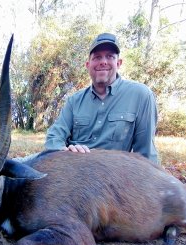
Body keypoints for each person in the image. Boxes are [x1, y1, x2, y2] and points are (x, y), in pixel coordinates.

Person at [45, 32, 158, 163]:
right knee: (17, 165)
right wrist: (64, 151)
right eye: (97, 57)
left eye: (110, 56)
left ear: (119, 63)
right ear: (88, 65)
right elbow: (54, 136)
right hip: (73, 168)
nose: (103, 62)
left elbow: (147, 154)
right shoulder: (74, 100)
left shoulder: (141, 95)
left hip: (111, 174)